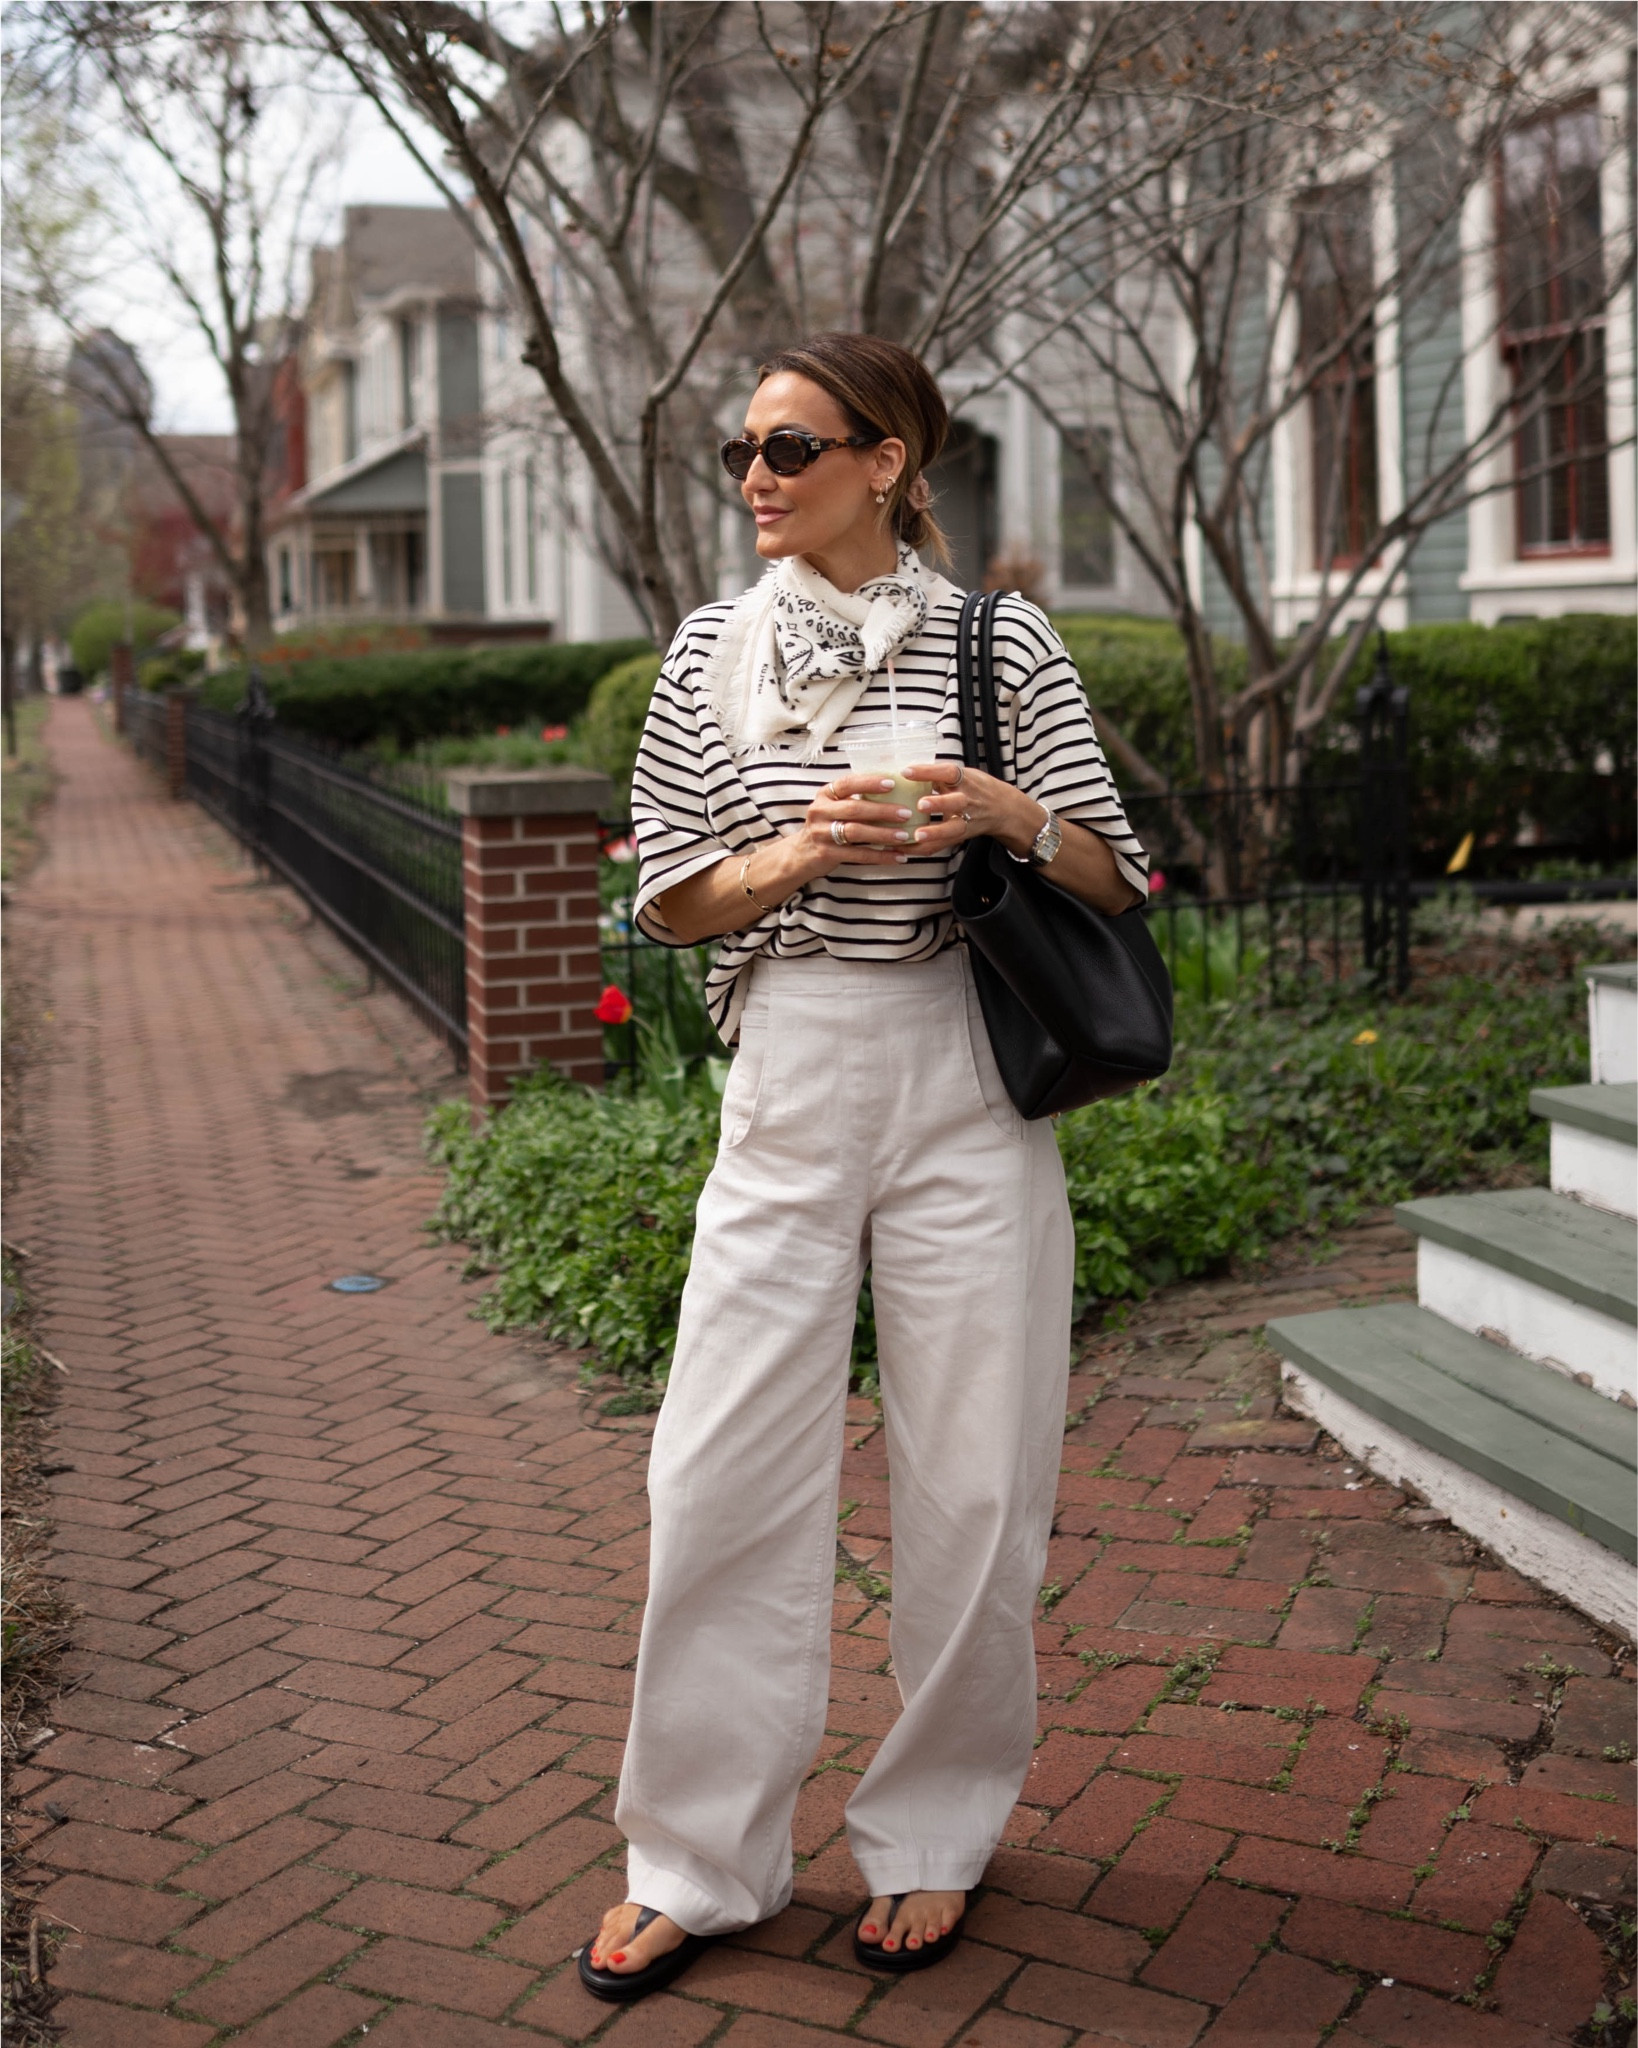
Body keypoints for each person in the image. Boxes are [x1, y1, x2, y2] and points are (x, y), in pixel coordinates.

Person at [579, 332, 1149, 2003]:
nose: (755, 477)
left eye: (789, 447)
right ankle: (694, 1859)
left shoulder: (998, 640)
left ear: (886, 460)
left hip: (968, 1077)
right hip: (791, 1070)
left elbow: (1118, 877)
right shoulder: (712, 651)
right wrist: (793, 853)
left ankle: (933, 1833)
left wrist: (1001, 813)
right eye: (742, 452)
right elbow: (667, 898)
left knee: (977, 1482)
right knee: (714, 1474)